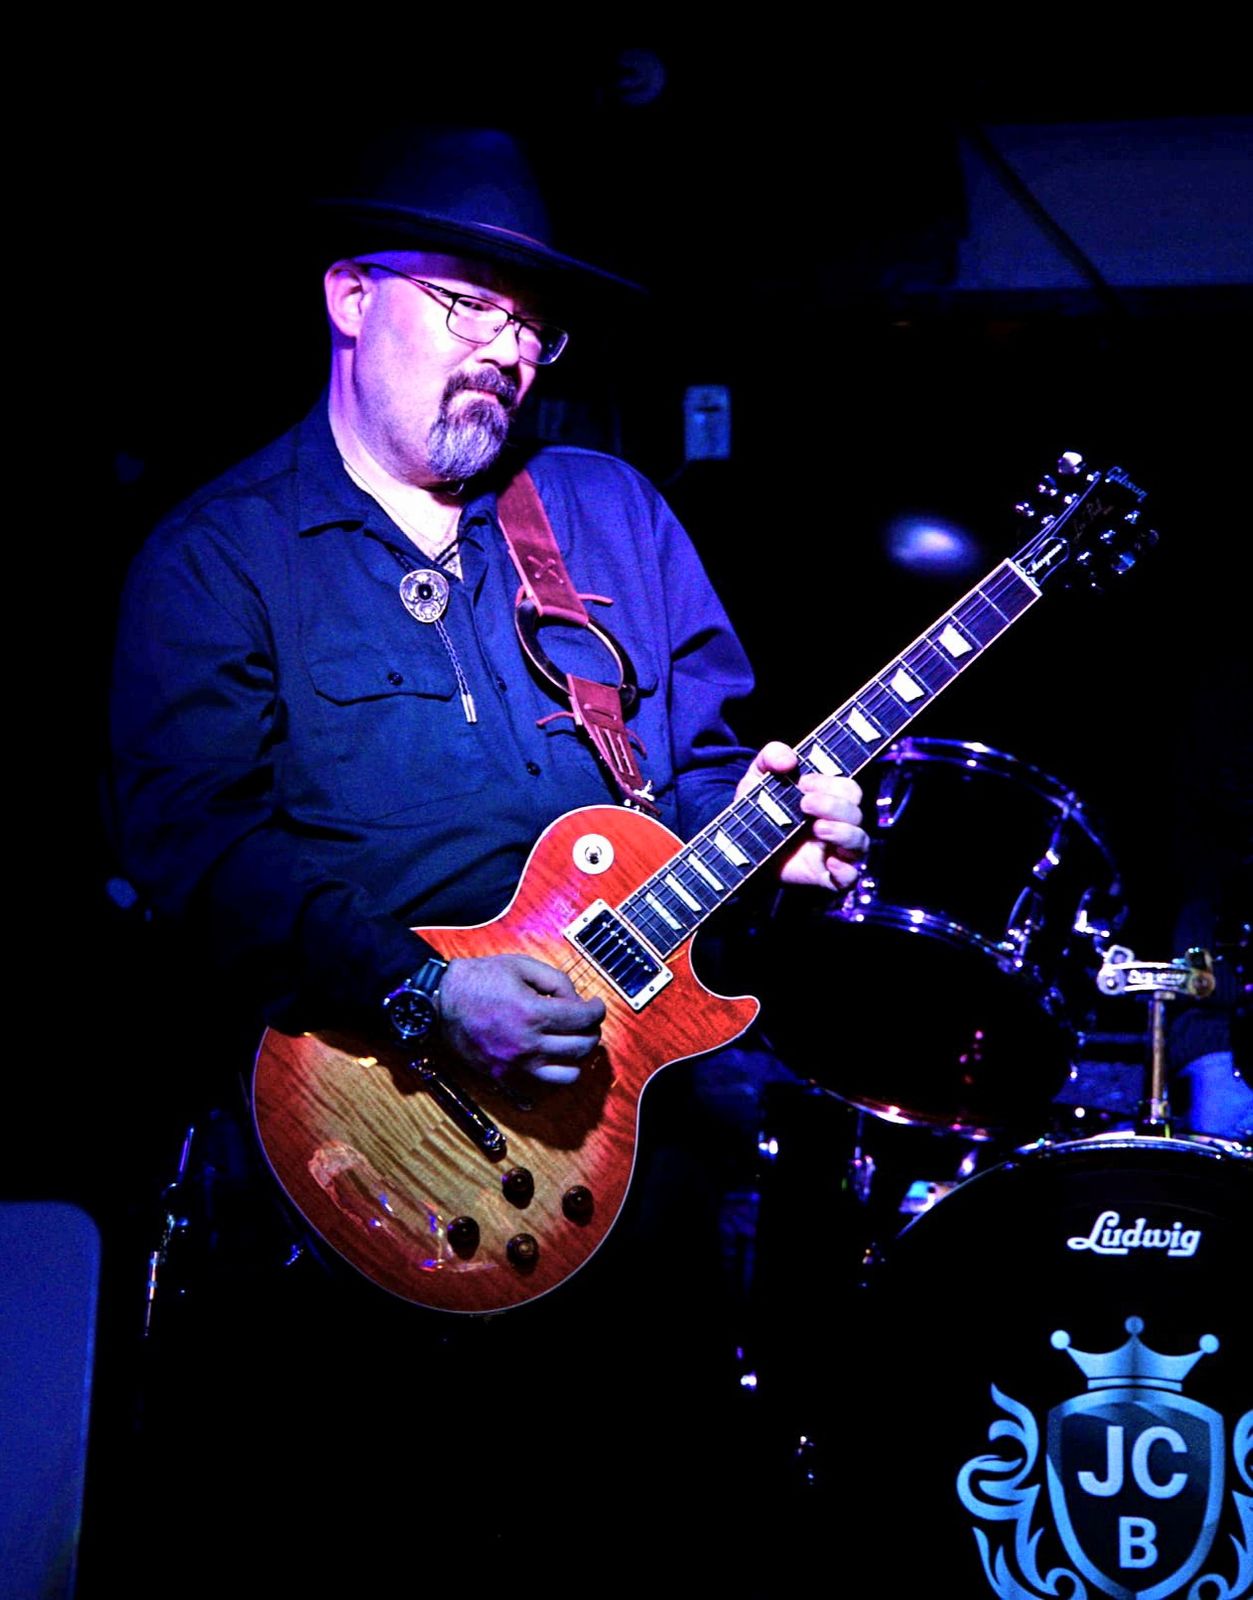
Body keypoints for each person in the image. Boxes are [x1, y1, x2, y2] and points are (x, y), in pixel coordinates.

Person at [102, 125, 867, 1593]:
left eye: (531, 326)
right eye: (469, 308)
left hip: (628, 1172)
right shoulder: (220, 556)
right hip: (359, 1172)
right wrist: (424, 994)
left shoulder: (607, 517)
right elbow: (194, 847)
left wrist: (778, 850)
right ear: (348, 297)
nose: (507, 352)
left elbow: (704, 783)